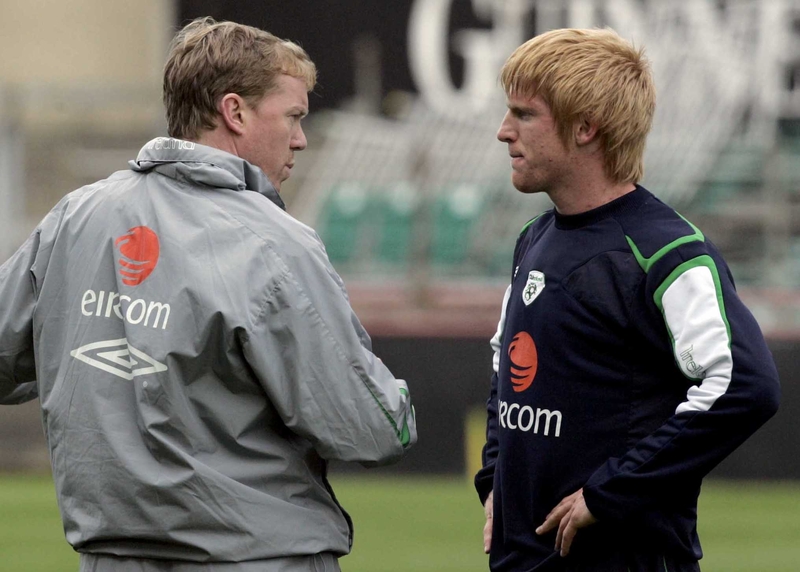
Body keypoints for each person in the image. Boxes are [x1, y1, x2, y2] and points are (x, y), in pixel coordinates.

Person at [0, 17, 416, 572]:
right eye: (292, 116)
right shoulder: (274, 244)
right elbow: (369, 429)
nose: (302, 138)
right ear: (235, 111)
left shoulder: (77, 217)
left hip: (111, 555)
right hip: (255, 554)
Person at [475, 28, 780, 572]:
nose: (503, 132)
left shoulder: (666, 251)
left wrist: (609, 493)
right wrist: (495, 477)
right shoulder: (535, 237)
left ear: (586, 127)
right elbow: (508, 361)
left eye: (524, 115)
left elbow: (745, 385)